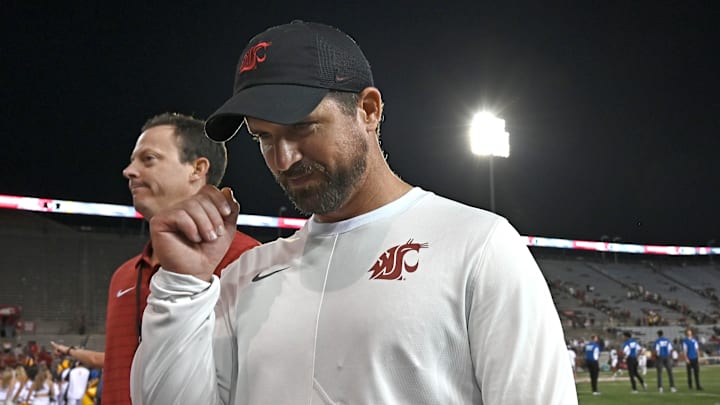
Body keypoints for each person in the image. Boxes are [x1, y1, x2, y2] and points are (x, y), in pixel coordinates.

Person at [130, 21, 577, 404]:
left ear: (368, 110)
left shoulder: (477, 246)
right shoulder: (247, 276)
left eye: (302, 128)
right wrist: (183, 284)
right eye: (264, 138)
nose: (284, 159)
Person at [51, 112, 260, 404]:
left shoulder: (252, 264)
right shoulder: (123, 276)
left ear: (197, 169)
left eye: (147, 159)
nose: (128, 171)